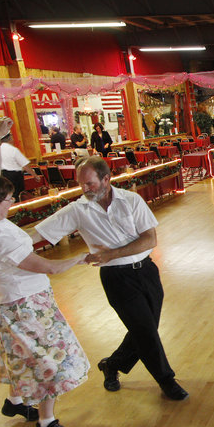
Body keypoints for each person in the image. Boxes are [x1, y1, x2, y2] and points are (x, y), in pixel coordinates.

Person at [0, 116, 89, 427]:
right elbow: (46, 267)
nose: (12, 202)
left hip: (12, 302)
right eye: (7, 201)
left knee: (25, 355)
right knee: (50, 361)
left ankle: (16, 402)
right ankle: (47, 423)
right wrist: (81, 257)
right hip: (26, 305)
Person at [33, 156, 189, 401]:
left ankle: (111, 364)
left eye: (89, 183)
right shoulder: (78, 209)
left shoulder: (131, 200)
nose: (84, 189)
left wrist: (110, 253)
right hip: (116, 278)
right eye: (80, 184)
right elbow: (37, 233)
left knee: (145, 329)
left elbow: (150, 239)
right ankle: (166, 380)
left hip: (147, 271)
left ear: (106, 179)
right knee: (145, 331)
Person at [0, 133, 30, 201]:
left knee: (8, 195)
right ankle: (19, 209)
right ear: (9, 139)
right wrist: (35, 175)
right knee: (18, 195)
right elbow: (25, 165)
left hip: (3, 175)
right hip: (15, 176)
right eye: (12, 138)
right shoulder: (13, 150)